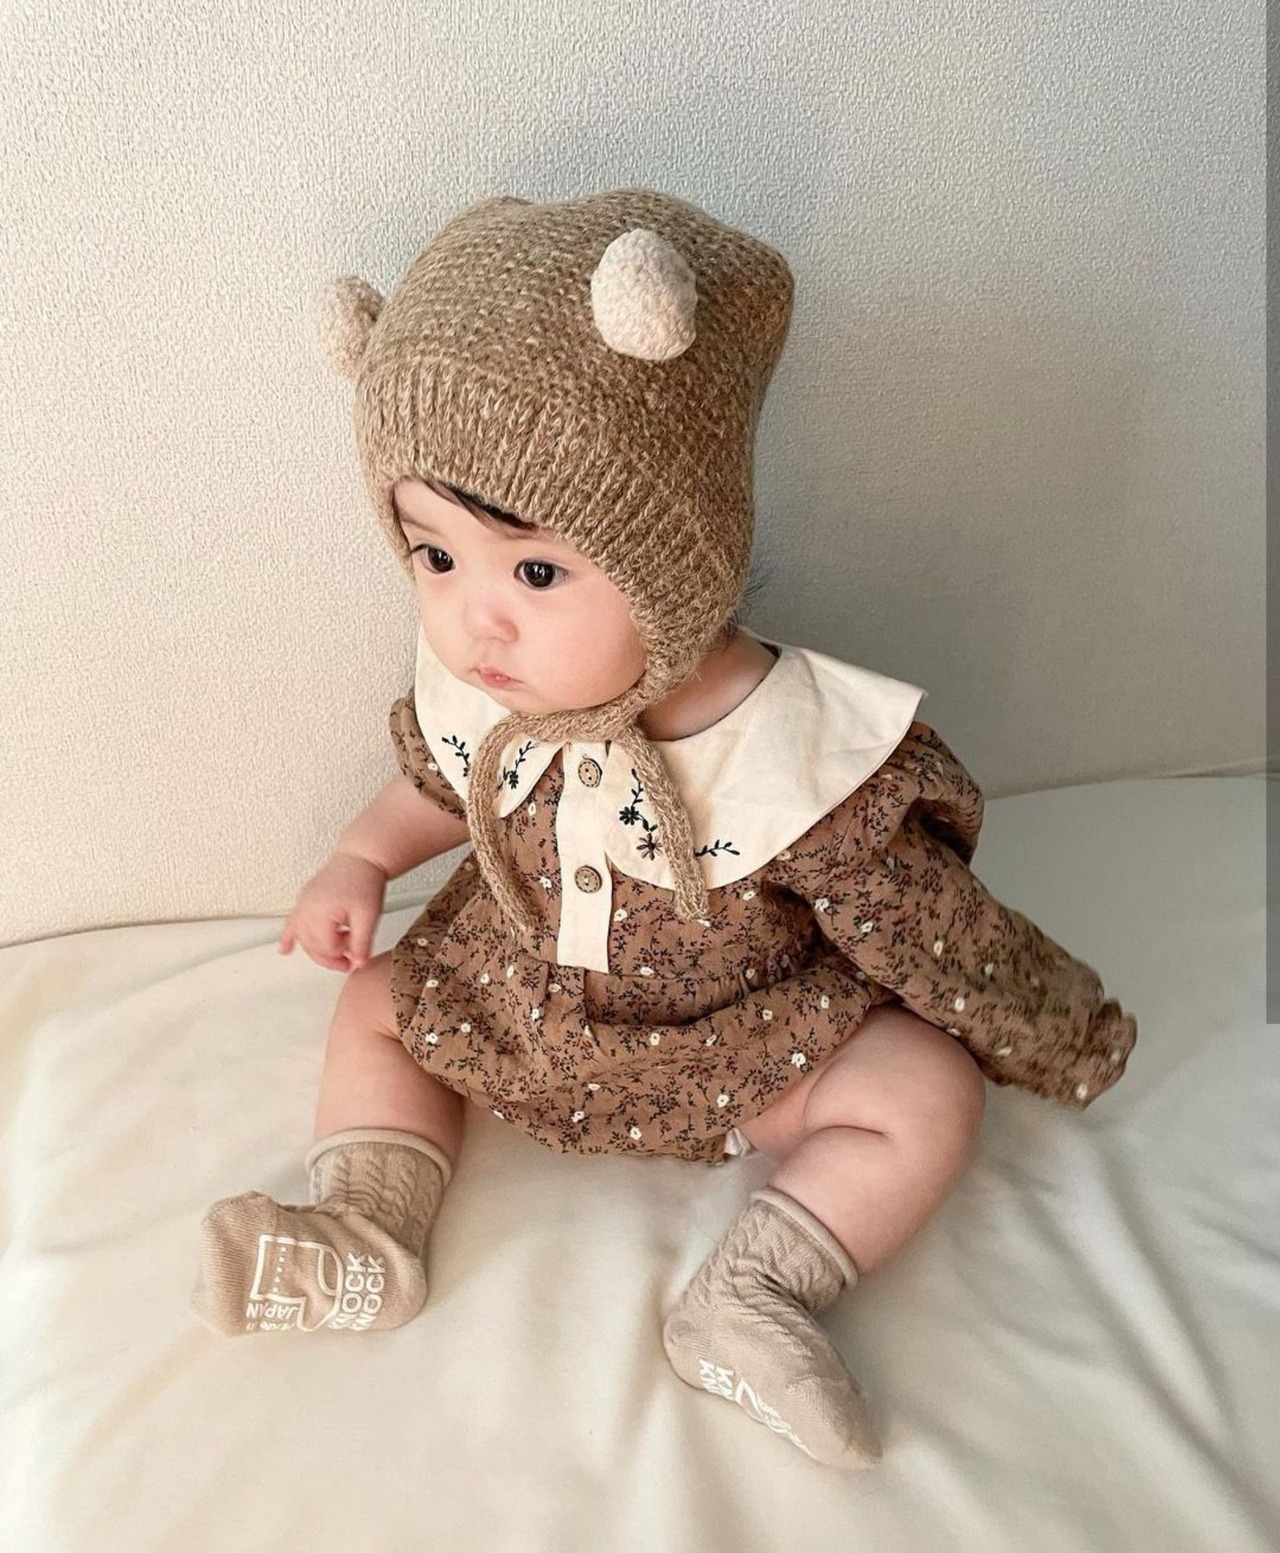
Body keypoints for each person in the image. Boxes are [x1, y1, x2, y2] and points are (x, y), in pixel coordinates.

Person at [191, 188, 1138, 1469]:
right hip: (517, 1001)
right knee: (371, 1004)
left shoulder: (778, 747)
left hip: (736, 1038)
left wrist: (1055, 1026)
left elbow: (927, 921)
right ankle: (369, 1227)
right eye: (434, 557)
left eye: (535, 570)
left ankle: (754, 1291)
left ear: (671, 562)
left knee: (924, 1090)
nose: (475, 621)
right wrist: (358, 859)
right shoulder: (488, 687)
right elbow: (441, 784)